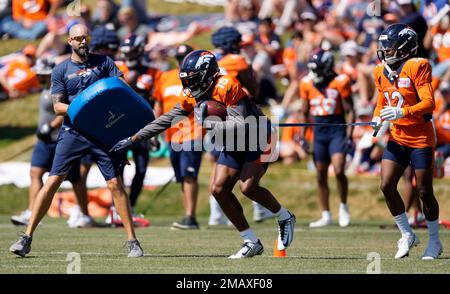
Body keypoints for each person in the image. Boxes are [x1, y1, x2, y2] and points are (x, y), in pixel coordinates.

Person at [110, 49, 296, 259]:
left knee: (248, 187)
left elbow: (242, 124)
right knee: (218, 189)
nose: (190, 85)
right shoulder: (193, 94)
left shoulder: (227, 86)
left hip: (258, 136)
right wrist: (135, 138)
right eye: (187, 79)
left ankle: (284, 217)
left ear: (208, 74)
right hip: (234, 141)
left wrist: (210, 121)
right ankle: (251, 241)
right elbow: (167, 118)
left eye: (194, 79)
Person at [9, 24, 143, 258]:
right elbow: (58, 106)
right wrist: (83, 109)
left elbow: (123, 90)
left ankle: (133, 241)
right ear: (69, 41)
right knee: (53, 181)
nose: (83, 41)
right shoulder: (60, 70)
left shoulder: (105, 62)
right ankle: (27, 237)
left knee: (114, 184)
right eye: (78, 38)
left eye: (86, 37)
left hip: (103, 132)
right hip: (74, 131)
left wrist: (125, 130)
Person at [372, 23, 443, 259]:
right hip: (398, 137)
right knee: (386, 185)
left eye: (389, 47)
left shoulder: (418, 66)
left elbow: (429, 103)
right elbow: (382, 103)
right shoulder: (379, 71)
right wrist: (376, 120)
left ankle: (434, 241)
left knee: (424, 191)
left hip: (421, 138)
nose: (384, 51)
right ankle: (406, 234)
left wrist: (403, 112)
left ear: (404, 48)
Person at [10, 57, 94, 228]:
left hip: (60, 138)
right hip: (44, 140)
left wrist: (50, 127)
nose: (38, 77)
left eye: (41, 74)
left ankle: (84, 214)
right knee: (35, 172)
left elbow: (66, 109)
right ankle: (32, 212)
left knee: (75, 178)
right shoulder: (44, 88)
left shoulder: (60, 87)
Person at [299, 49, 354, 228]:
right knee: (321, 175)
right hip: (319, 132)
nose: (314, 73)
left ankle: (344, 207)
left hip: (336, 130)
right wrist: (302, 136)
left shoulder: (340, 81)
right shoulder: (306, 83)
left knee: (338, 170)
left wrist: (350, 135)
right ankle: (325, 214)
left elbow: (350, 110)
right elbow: (304, 111)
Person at [153, 44, 203, 229]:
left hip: (192, 132)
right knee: (181, 176)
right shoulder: (164, 77)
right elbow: (158, 103)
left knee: (189, 174)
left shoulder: (197, 78)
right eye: (179, 57)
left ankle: (191, 216)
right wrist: (155, 129)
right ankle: (187, 215)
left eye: (185, 57)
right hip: (171, 136)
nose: (181, 60)